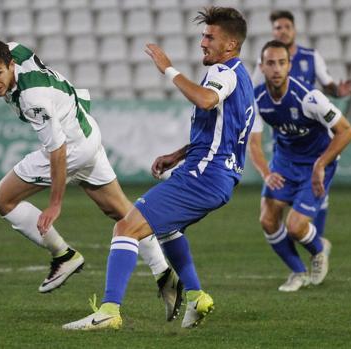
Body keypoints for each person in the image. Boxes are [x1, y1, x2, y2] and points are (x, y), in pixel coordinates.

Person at [0, 38, 183, 320]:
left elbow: (57, 152)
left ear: (11, 65)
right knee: (122, 213)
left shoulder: (32, 100)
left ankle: (64, 255)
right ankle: (164, 274)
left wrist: (55, 204)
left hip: (71, 146)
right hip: (86, 129)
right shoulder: (8, 51)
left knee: (1, 198)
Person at [63, 6, 254, 331]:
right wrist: (178, 154)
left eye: (210, 36)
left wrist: (168, 69)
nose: (202, 42)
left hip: (204, 176)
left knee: (126, 227)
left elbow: (206, 100)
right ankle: (195, 296)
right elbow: (223, 130)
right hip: (214, 176)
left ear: (230, 45)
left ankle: (110, 311)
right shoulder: (244, 78)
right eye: (203, 35)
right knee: (165, 229)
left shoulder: (225, 73)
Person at [248, 40, 351, 292]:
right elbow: (253, 144)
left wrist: (320, 165)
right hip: (284, 163)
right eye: (270, 63)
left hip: (318, 163)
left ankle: (318, 249)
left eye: (281, 63)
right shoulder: (255, 99)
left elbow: (346, 132)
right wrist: (266, 173)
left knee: (296, 227)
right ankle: (298, 272)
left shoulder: (310, 97)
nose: (276, 69)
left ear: (289, 66)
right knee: (267, 220)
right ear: (261, 67)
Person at [251, 10, 351, 239]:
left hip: (313, 126)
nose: (282, 31)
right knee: (275, 209)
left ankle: (315, 237)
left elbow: (327, 85)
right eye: (278, 27)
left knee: (316, 193)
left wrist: (338, 91)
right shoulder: (264, 61)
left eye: (286, 26)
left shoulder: (311, 57)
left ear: (294, 30)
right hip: (286, 135)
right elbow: (254, 94)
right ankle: (307, 238)